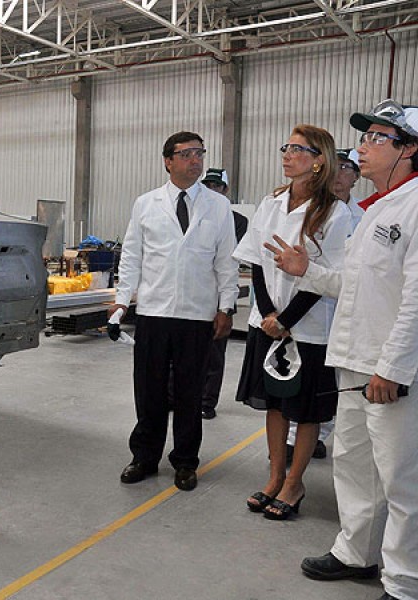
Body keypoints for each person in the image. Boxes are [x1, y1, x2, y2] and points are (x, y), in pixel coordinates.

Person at [267, 99, 418, 600]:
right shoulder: (375, 211)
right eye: (365, 136)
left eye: (378, 138)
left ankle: (404, 581)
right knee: (354, 466)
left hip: (389, 370)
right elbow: (354, 286)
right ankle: (357, 553)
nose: (363, 146)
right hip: (354, 361)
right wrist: (305, 271)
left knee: (400, 479)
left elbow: (416, 300)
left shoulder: (415, 207)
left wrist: (393, 367)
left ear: (409, 149)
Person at [234, 124, 352, 520]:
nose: (287, 154)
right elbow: (256, 260)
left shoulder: (334, 212)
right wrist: (269, 314)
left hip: (309, 327)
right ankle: (274, 476)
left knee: (306, 411)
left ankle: (294, 483)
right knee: (275, 405)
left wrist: (286, 320)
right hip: (267, 321)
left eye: (298, 149)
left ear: (319, 161)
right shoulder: (272, 202)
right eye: (286, 147)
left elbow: (327, 275)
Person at [110, 131, 238, 491]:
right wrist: (122, 299)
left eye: (199, 153)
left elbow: (226, 260)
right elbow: (132, 256)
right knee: (149, 390)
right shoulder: (146, 204)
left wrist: (226, 306)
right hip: (154, 311)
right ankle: (144, 457)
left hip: (197, 315)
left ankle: (185, 461)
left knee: (189, 392)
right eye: (186, 154)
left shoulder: (218, 206)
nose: (195, 160)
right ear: (168, 161)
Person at [285, 147, 362, 460]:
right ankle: (297, 438)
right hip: (307, 310)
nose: (339, 173)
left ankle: (323, 433)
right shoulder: (309, 209)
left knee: (337, 381)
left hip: (346, 312)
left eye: (347, 168)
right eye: (335, 165)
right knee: (302, 378)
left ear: (356, 177)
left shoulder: (364, 217)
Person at [200, 167, 248, 419]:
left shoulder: (238, 221)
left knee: (214, 353)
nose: (211, 190)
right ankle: (175, 397)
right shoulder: (194, 215)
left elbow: (229, 258)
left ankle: (207, 402)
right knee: (183, 351)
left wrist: (226, 307)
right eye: (207, 185)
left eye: (216, 186)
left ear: (225, 190)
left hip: (220, 294)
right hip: (194, 294)